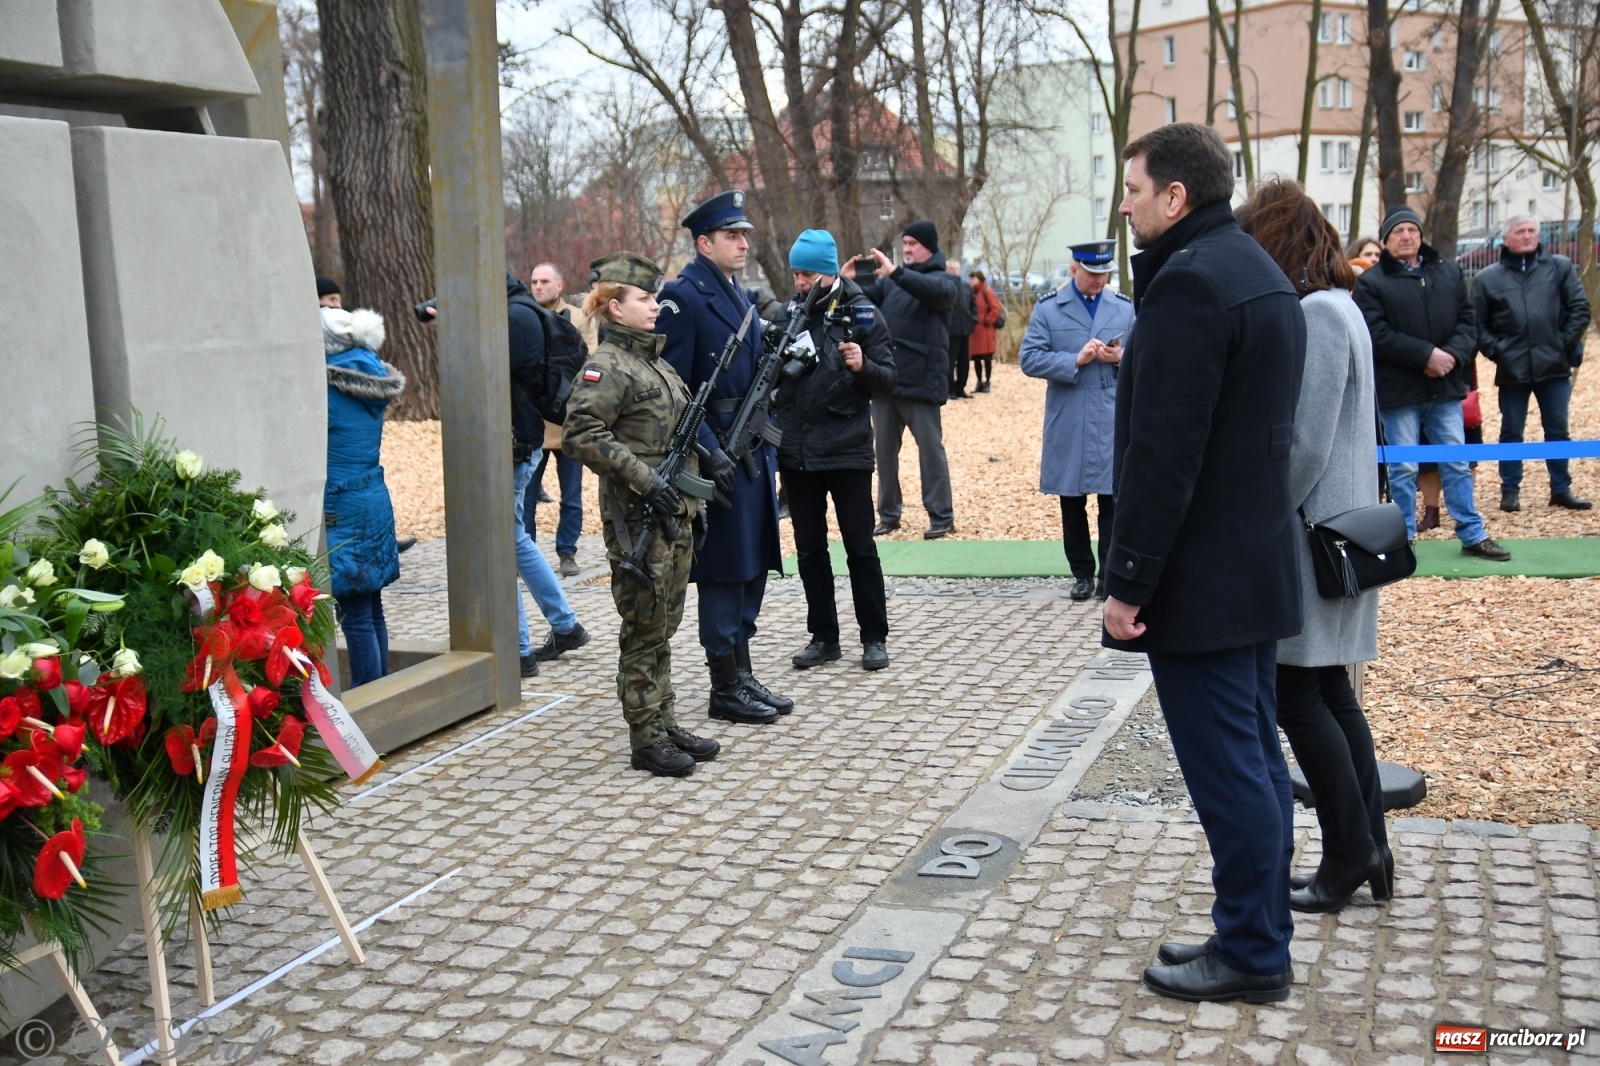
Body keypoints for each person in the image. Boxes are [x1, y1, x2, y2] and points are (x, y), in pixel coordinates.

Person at [1105, 123, 1305, 1004]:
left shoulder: (1190, 285)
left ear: (1176, 197)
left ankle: (1256, 953)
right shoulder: (1254, 268)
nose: (1126, 202)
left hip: (1203, 578)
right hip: (1251, 563)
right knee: (1255, 760)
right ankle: (1250, 926)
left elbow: (1165, 456)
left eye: (1134, 189)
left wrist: (1129, 581)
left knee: (1234, 773)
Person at [1236, 179, 1391, 914]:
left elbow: (1304, 443)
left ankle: (1350, 851)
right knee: (1330, 692)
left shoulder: (1322, 314)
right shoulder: (1345, 306)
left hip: (1315, 535)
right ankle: (1371, 845)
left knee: (1300, 694)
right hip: (1342, 530)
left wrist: (1257, 507)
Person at [561, 252, 721, 777]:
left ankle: (664, 719)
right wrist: (646, 478)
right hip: (639, 518)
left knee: (665, 623)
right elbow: (581, 435)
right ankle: (645, 737)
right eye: (645, 299)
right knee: (643, 625)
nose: (656, 305)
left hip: (673, 511)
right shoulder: (606, 366)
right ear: (613, 307)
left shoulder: (655, 361)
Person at [657, 190, 785, 726]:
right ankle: (723, 685)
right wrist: (709, 451)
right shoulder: (682, 297)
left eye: (745, 235)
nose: (743, 242)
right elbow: (675, 388)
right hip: (719, 454)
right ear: (704, 242)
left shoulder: (737, 293)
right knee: (724, 571)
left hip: (752, 448)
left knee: (753, 562)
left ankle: (743, 671)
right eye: (733, 235)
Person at [1354, 206, 1511, 560]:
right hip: (1400, 391)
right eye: (1398, 232)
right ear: (1386, 240)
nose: (1406, 236)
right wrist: (1425, 356)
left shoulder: (1449, 273)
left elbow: (1468, 322)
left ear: (1421, 235)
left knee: (1456, 462)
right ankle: (1401, 539)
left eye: (1412, 229)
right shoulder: (1372, 283)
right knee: (1403, 467)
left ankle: (1472, 534)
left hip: (1445, 388)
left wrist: (1450, 356)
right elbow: (1376, 333)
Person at [773, 230, 897, 672]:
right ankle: (823, 636)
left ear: (827, 273)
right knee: (809, 550)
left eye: (807, 273)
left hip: (847, 452)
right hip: (798, 453)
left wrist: (863, 365)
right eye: (795, 273)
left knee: (860, 547)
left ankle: (874, 637)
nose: (800, 282)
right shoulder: (786, 314)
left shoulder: (862, 312)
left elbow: (888, 379)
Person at [1018, 240, 1134, 602]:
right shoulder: (1050, 309)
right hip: (1069, 412)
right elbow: (1030, 359)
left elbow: (1147, 354)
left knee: (1112, 499)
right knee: (1071, 498)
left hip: (1112, 411)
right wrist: (1075, 358)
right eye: (1092, 274)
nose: (1100, 281)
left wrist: (1121, 356)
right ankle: (1081, 573)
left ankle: (1109, 577)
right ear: (1074, 270)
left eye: (1105, 274)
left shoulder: (1123, 308)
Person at [1471, 212, 1592, 513]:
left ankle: (1561, 489)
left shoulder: (1560, 267)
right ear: (1506, 238)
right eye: (1520, 231)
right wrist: (1498, 351)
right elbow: (1475, 324)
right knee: (1511, 430)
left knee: (1558, 429)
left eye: (1531, 231)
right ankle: (1510, 491)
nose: (1527, 236)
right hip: (1512, 369)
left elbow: (1580, 309)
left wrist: (1561, 345)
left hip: (1554, 366)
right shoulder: (1487, 278)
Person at [858, 220, 960, 539]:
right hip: (887, 382)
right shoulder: (891, 283)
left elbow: (934, 293)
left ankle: (941, 516)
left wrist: (897, 273)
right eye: (904, 244)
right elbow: (865, 298)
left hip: (922, 383)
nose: (906, 249)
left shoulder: (943, 281)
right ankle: (888, 515)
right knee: (884, 454)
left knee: (930, 451)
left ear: (929, 247)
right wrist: (841, 281)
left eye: (912, 244)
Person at [322, 306, 402, 687]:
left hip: (341, 501)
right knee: (371, 607)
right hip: (371, 493)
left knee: (353, 612)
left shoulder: (326, 388)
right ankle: (381, 684)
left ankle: (368, 692)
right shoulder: (369, 373)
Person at [524, 262, 595, 578]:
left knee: (572, 494)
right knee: (526, 494)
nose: (538, 287)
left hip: (569, 421)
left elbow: (592, 362)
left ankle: (567, 551)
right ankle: (524, 553)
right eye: (534, 282)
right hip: (533, 422)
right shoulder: (523, 317)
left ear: (560, 286)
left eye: (544, 281)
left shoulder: (579, 318)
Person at [946, 259, 976, 399]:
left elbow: (972, 304)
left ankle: (960, 387)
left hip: (965, 329)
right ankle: (950, 388)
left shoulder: (965, 287)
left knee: (964, 361)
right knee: (950, 361)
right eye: (951, 268)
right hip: (951, 330)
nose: (954, 271)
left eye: (956, 268)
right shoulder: (945, 286)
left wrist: (973, 319)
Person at [968, 271, 1002, 393]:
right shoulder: (971, 293)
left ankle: (987, 381)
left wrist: (989, 319)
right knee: (976, 358)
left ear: (980, 280)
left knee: (987, 358)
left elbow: (996, 308)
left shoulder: (987, 292)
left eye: (974, 279)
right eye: (971, 279)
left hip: (986, 330)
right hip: (975, 331)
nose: (971, 281)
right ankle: (979, 382)